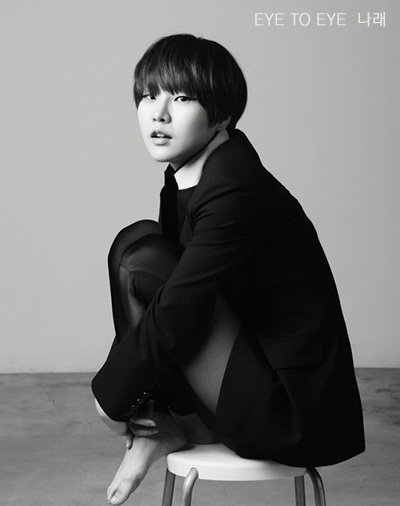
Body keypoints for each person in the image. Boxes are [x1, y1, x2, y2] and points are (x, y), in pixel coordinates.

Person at [92, 34, 365, 505]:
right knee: (134, 245)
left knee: (142, 260)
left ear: (221, 114)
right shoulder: (197, 175)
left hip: (291, 410)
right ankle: (165, 425)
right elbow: (173, 302)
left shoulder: (235, 186)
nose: (158, 114)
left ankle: (164, 423)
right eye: (149, 96)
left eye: (181, 98)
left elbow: (179, 307)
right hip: (251, 367)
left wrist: (109, 399)